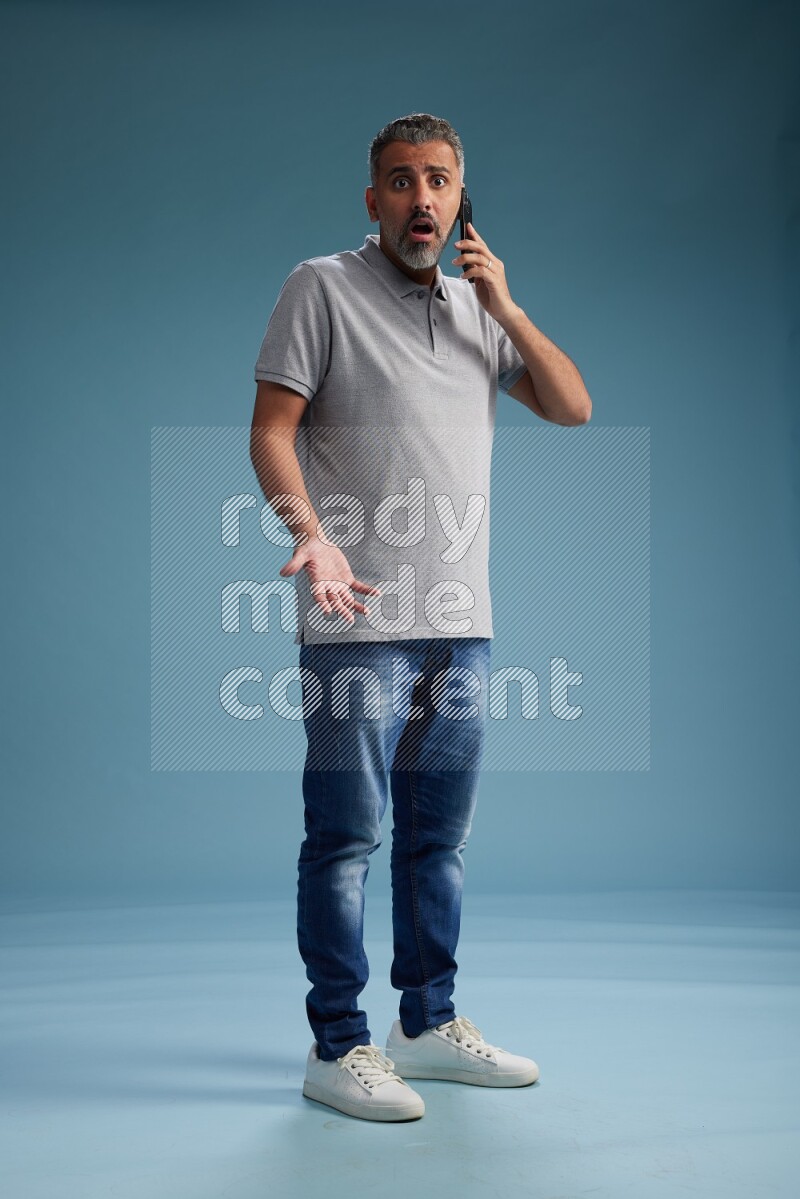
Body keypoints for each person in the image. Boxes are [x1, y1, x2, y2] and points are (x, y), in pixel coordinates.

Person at [250, 113, 591, 1122]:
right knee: (346, 836)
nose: (421, 199)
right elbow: (271, 428)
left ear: (460, 200)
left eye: (438, 180)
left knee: (436, 840)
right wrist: (308, 530)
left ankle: (425, 1022)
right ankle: (337, 1042)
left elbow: (570, 406)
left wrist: (508, 306)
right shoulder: (320, 286)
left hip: (461, 618)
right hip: (355, 617)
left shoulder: (477, 307)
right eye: (400, 181)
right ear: (373, 201)